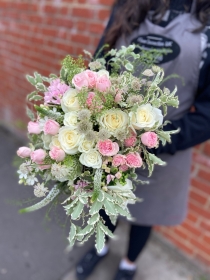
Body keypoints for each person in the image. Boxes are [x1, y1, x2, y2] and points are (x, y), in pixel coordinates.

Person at [75, 1, 210, 279]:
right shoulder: (128, 5)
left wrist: (154, 139)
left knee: (146, 213)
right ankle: (100, 249)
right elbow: (101, 62)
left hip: (168, 147)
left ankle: (128, 264)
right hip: (110, 138)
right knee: (105, 202)